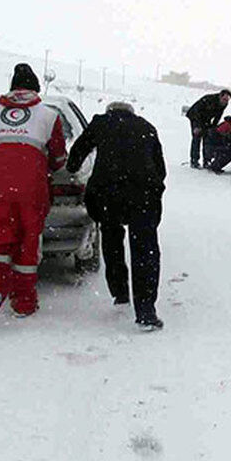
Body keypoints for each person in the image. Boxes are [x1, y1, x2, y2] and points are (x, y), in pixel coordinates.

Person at [0, 63, 67, 327]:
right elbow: (58, 157)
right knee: (27, 241)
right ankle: (24, 302)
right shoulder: (49, 115)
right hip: (32, 189)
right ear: (36, 89)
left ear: (12, 88)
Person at [67, 100, 166, 331]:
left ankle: (120, 293)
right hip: (143, 194)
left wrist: (72, 168)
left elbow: (79, 151)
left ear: (109, 111)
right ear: (132, 113)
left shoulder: (101, 123)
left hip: (108, 193)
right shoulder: (147, 127)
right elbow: (160, 168)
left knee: (112, 239)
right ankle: (146, 312)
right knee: (145, 249)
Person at [185, 89, 231, 168]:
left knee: (207, 138)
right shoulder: (209, 99)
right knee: (197, 137)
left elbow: (218, 115)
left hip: (206, 119)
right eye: (224, 99)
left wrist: (214, 127)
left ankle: (206, 161)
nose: (225, 101)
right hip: (195, 116)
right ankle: (194, 160)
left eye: (227, 100)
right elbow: (197, 111)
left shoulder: (224, 104)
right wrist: (197, 126)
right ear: (220, 96)